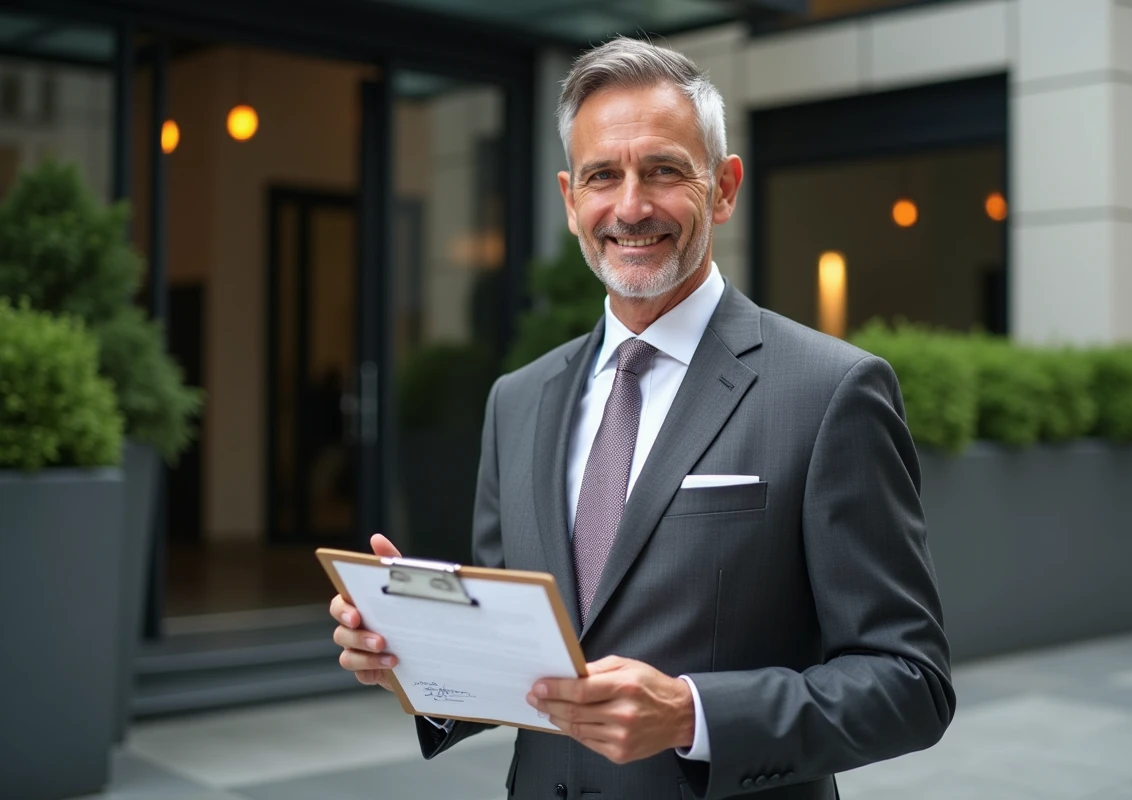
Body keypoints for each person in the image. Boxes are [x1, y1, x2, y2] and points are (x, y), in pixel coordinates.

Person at [331, 36, 954, 799]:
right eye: (602, 176)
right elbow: (526, 655)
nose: (630, 206)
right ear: (569, 199)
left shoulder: (832, 392)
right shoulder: (517, 401)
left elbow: (911, 682)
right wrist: (418, 656)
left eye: (663, 170)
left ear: (723, 189)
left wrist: (692, 714)